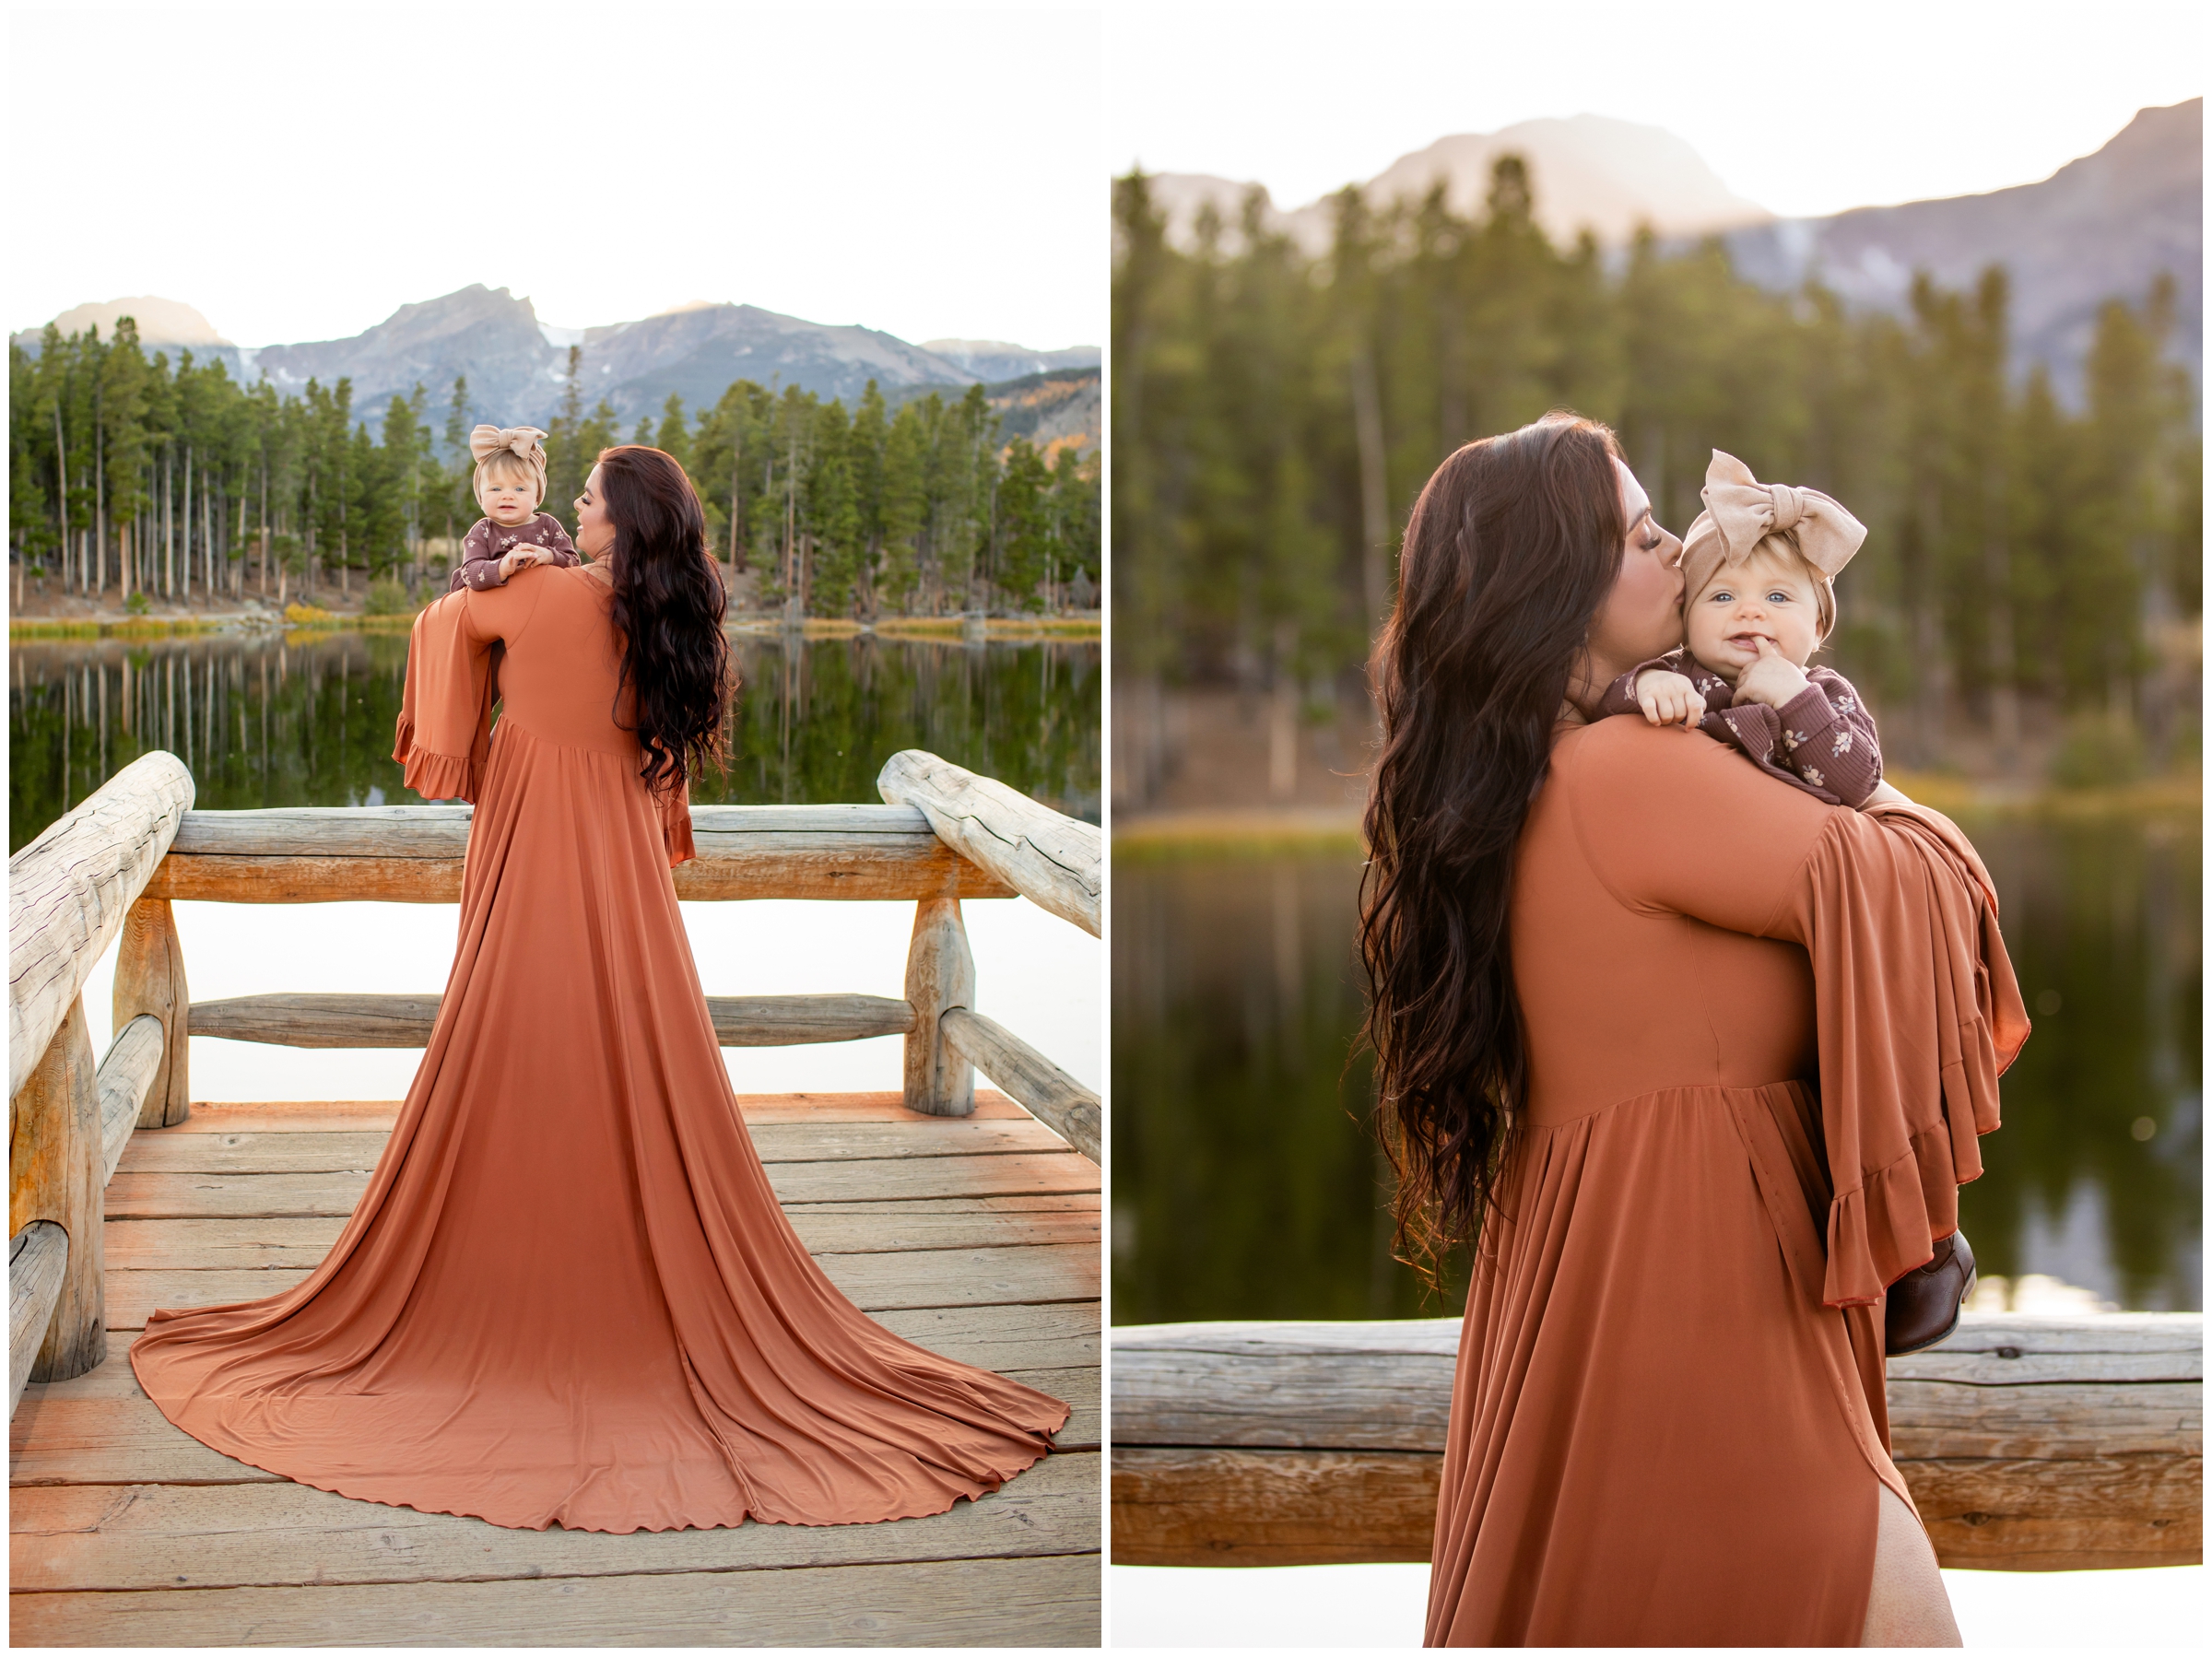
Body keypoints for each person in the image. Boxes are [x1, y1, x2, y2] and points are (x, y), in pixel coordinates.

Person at [132, 445, 1067, 1533]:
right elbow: (656, 769)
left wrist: (470, 611)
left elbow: (442, 635)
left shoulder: (531, 594)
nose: (569, 505)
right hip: (623, 870)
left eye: (584, 496)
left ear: (621, 518)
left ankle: (514, 1263)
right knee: (634, 1048)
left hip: (534, 852)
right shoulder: (663, 618)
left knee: (515, 1039)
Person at [1358, 413, 2027, 1645]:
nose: (1682, 551)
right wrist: (1853, 761)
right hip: (1710, 1279)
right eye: (1644, 533)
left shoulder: (1540, 778)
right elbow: (1929, 891)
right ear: (1551, 585)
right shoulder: (1633, 771)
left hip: (1611, 1270)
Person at [1600, 449, 1882, 806]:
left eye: (1777, 597)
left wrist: (1795, 700)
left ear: (1818, 626)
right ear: (1686, 618)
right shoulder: (1677, 674)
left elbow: (1859, 786)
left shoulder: (1828, 695)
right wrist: (1644, 684)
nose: (1750, 612)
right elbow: (1602, 715)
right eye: (1722, 597)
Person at [447, 425, 581, 593]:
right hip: (495, 611)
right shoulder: (484, 531)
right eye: (496, 489)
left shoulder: (547, 525)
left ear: (537, 496)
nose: (507, 496)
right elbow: (470, 572)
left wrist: (549, 556)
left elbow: (573, 562)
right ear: (480, 496)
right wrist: (502, 567)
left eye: (519, 489)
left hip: (542, 607)